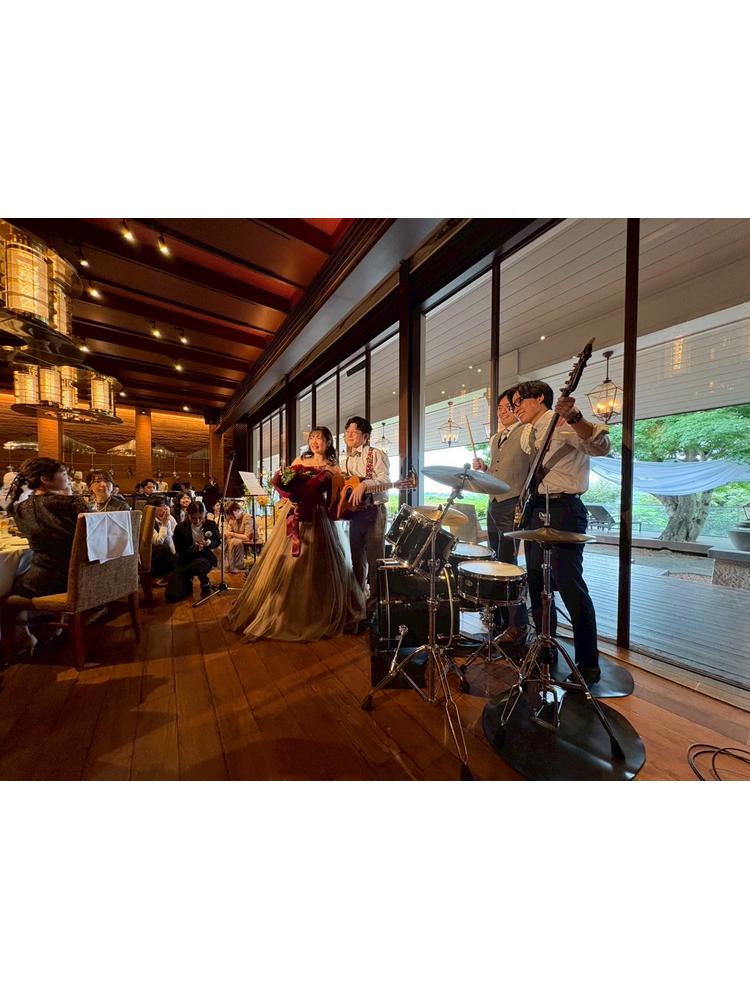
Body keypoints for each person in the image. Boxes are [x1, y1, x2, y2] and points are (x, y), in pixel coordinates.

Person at [511, 380, 611, 684]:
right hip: (536, 507)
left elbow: (601, 447)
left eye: (519, 401)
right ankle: (545, 648)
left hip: (563, 508)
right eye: (513, 404)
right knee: (536, 582)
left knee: (569, 585)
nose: (516, 409)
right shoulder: (530, 432)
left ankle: (588, 664)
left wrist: (575, 417)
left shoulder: (561, 424)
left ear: (540, 397)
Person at [224, 426, 365, 642]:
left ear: (328, 442)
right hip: (295, 512)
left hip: (319, 516)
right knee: (289, 560)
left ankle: (318, 611)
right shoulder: (300, 460)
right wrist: (289, 498)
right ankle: (281, 609)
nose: (315, 441)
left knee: (319, 561)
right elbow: (286, 484)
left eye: (319, 438)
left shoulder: (334, 467)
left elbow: (334, 498)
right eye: (312, 438)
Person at [472, 386, 531, 643]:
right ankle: (499, 620)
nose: (503, 412)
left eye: (508, 407)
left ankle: (518, 625)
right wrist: (484, 468)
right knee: (496, 561)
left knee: (508, 564)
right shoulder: (496, 438)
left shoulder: (526, 432)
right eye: (499, 408)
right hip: (493, 504)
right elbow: (497, 472)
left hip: (513, 503)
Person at [7, 457, 89, 598]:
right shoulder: (72, 503)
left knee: (7, 586)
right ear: (45, 479)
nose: (69, 478)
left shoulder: (19, 509)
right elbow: (95, 536)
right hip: (77, 578)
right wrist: (69, 495)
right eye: (64, 474)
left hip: (38, 581)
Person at [340, 416, 391, 619]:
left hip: (374, 512)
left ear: (366, 436)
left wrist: (365, 484)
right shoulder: (346, 460)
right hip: (355, 514)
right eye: (347, 432)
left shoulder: (375, 454)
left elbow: (385, 480)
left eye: (354, 432)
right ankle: (358, 602)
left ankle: (375, 608)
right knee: (357, 560)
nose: (349, 435)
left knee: (375, 561)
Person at [167, 500, 221, 602]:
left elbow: (217, 541)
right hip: (186, 560)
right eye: (193, 518)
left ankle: (204, 581)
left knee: (199, 563)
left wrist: (209, 543)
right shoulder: (180, 527)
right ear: (188, 515)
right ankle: (187, 581)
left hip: (204, 558)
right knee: (171, 596)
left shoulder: (211, 524)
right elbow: (179, 550)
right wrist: (192, 548)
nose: (197, 521)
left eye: (200, 517)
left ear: (205, 514)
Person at [147, 493, 178, 584]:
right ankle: (156, 576)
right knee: (162, 548)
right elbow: (158, 541)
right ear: (152, 508)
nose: (166, 509)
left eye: (167, 506)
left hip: (167, 549)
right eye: (162, 506)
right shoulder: (146, 520)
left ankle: (173, 572)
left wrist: (175, 554)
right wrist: (164, 524)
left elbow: (174, 535)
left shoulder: (170, 518)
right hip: (151, 551)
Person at [223, 501, 253, 573]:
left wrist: (232, 534)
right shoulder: (233, 519)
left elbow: (247, 537)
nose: (232, 518)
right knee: (224, 540)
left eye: (232, 515)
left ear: (238, 510)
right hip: (237, 539)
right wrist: (227, 534)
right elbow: (228, 532)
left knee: (234, 541)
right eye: (230, 516)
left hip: (249, 539)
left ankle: (237, 565)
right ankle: (228, 565)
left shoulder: (247, 517)